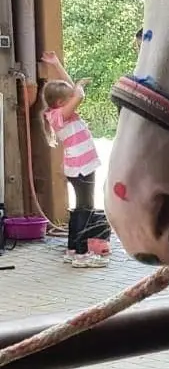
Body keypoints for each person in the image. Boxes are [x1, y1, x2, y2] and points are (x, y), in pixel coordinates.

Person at [39, 51, 108, 268]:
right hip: (82, 168)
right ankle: (82, 254)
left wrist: (56, 64)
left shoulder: (57, 112)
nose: (73, 99)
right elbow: (78, 95)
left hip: (78, 167)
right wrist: (79, 86)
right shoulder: (60, 116)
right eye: (68, 98)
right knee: (84, 209)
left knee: (80, 209)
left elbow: (70, 89)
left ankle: (72, 250)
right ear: (61, 102)